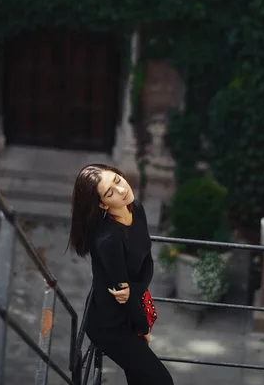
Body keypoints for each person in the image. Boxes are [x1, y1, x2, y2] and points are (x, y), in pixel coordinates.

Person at [68, 163, 174, 385]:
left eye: (117, 180)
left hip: (132, 307)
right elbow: (121, 295)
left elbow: (147, 264)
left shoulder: (137, 209)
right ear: (101, 204)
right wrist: (143, 328)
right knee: (162, 381)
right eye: (110, 192)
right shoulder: (109, 240)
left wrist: (134, 290)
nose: (121, 190)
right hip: (110, 324)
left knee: (139, 379)